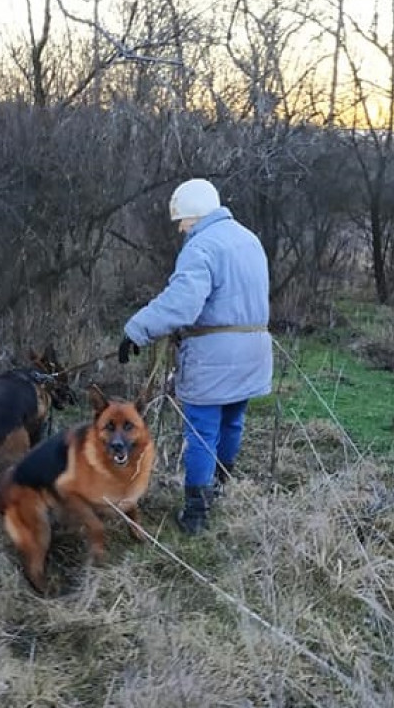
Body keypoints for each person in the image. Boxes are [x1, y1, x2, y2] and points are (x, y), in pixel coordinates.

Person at [118, 178, 272, 535]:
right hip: (254, 351)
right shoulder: (249, 239)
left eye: (182, 221)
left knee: (201, 432)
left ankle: (196, 514)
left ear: (194, 214)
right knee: (233, 421)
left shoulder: (201, 246)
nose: (181, 229)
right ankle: (219, 487)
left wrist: (136, 330)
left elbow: (182, 304)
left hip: (214, 355)